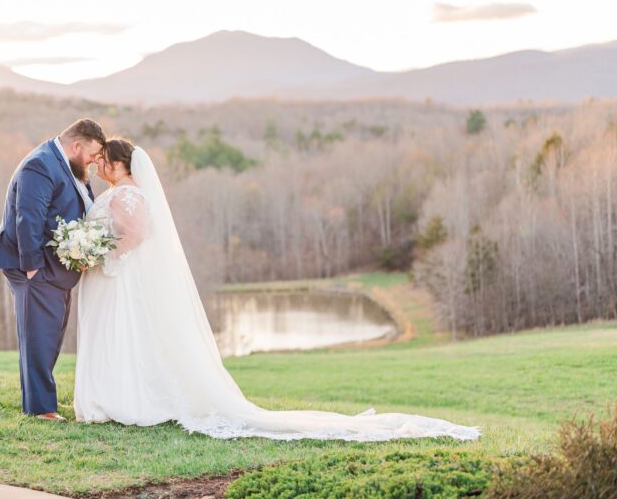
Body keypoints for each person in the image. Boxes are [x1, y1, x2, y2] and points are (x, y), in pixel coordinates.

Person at [73, 137, 481, 441]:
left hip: (120, 277)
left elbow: (138, 235)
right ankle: (119, 396)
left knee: (125, 335)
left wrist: (102, 256)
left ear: (122, 164)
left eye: (105, 160)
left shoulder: (129, 194)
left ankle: (131, 400)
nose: (101, 165)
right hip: (117, 281)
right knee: (123, 338)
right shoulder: (115, 194)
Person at [0, 118, 106, 421]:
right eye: (93, 155)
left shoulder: (72, 167)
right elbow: (27, 217)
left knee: (50, 334)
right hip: (33, 266)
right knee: (39, 336)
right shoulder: (40, 165)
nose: (95, 162)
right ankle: (41, 409)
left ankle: (44, 399)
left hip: (56, 269)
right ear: (76, 145)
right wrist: (31, 267)